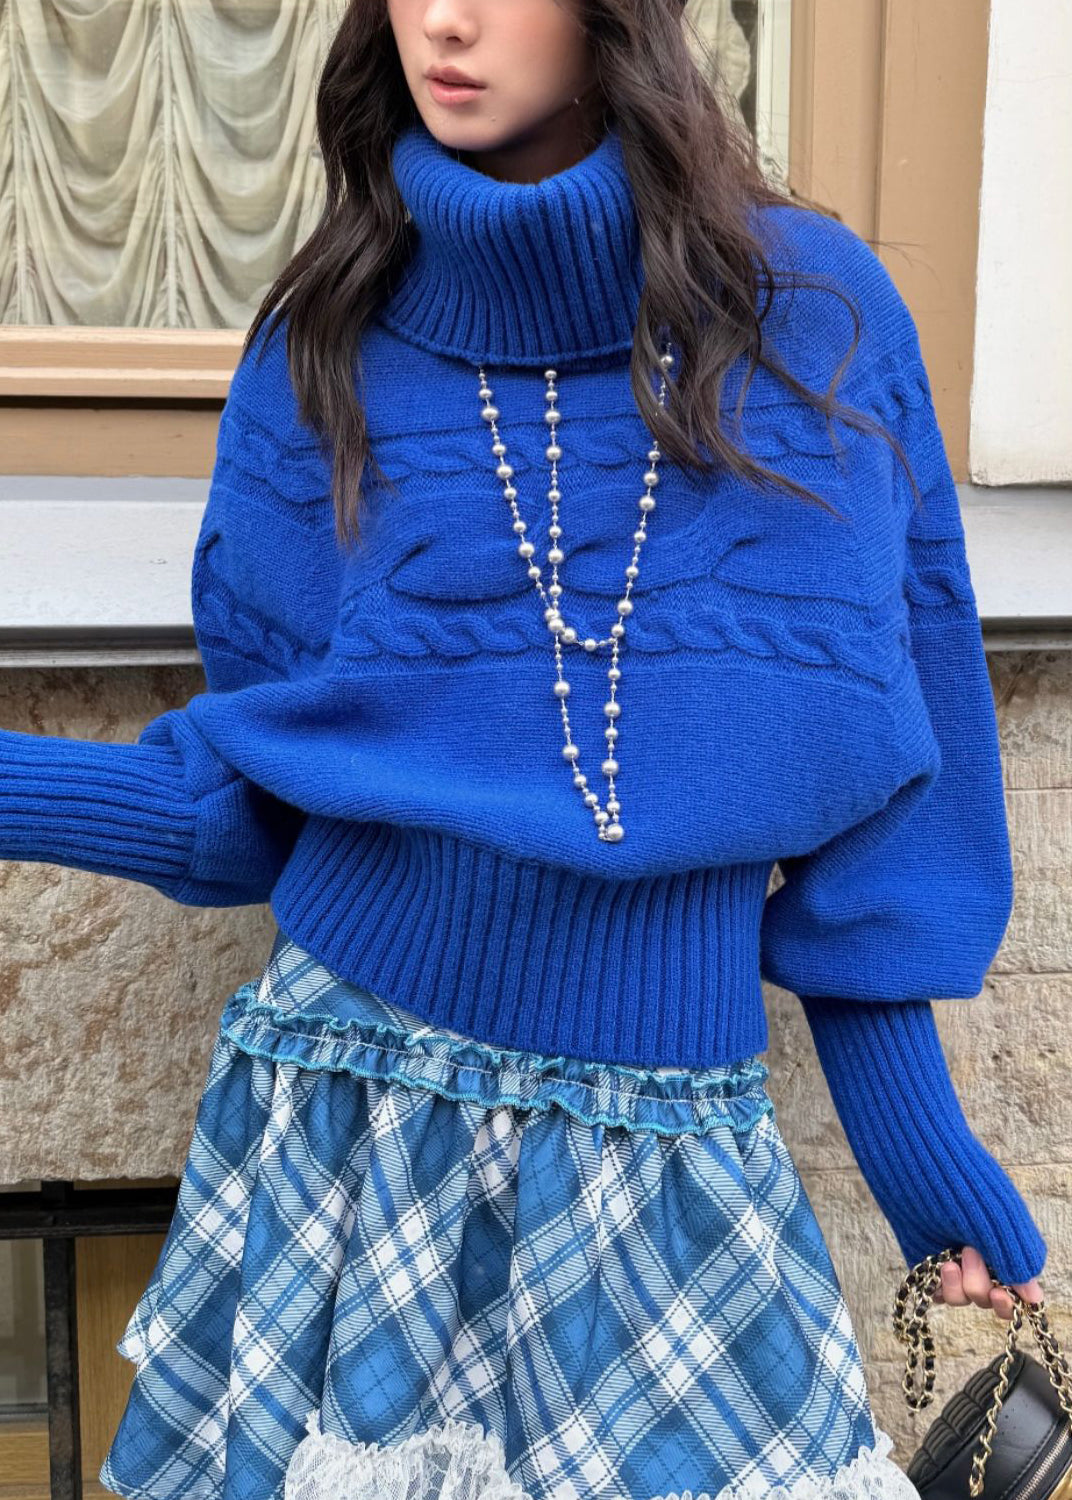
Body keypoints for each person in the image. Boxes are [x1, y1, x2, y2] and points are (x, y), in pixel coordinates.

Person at [0, 1, 1048, 1498]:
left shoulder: (815, 319)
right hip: (358, 1116)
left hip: (671, 1147)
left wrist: (925, 1165)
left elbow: (891, 798)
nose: (444, 20)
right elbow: (251, 793)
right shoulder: (327, 338)